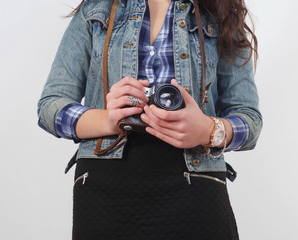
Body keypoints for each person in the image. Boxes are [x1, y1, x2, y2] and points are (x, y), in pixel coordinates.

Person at [37, 0, 262, 239]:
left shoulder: (220, 12)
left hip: (196, 181)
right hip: (104, 186)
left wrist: (208, 130)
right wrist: (108, 120)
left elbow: (249, 119)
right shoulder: (96, 11)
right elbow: (50, 106)